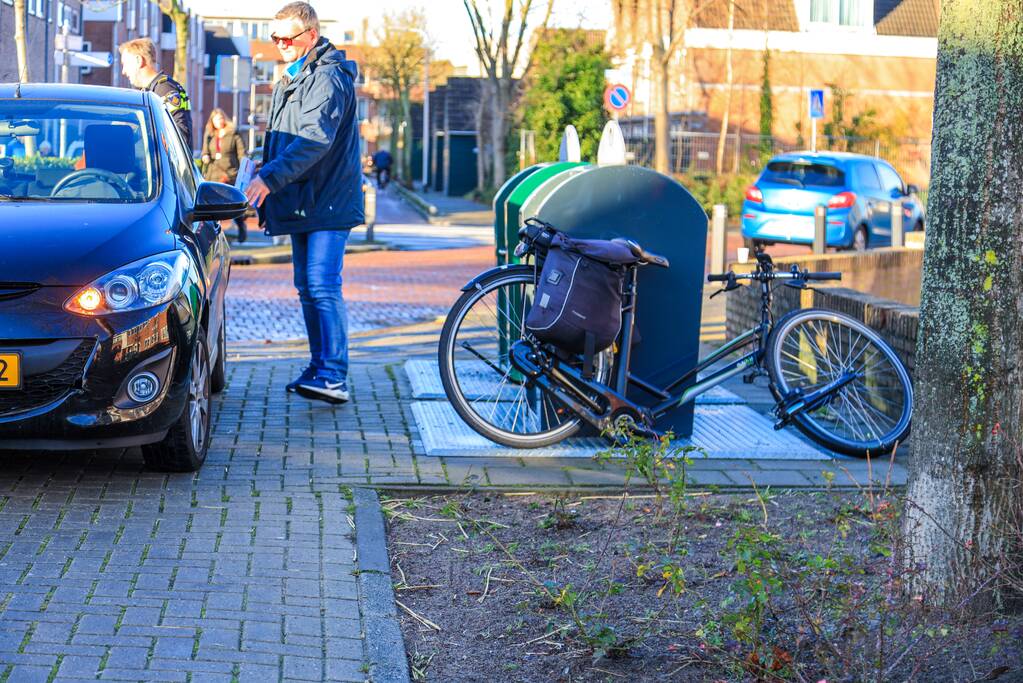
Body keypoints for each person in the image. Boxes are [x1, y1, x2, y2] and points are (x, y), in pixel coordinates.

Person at [244, 1, 363, 405]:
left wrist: (268, 179)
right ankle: (319, 367)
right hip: (304, 201)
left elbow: (313, 139)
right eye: (275, 38)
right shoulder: (293, 78)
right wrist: (261, 171)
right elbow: (284, 139)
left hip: (328, 200)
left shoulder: (327, 78)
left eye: (287, 38)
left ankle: (333, 375)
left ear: (311, 35)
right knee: (307, 287)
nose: (280, 45)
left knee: (322, 285)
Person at [118, 38, 193, 148]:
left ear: (139, 60)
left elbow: (181, 135)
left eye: (125, 64)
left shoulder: (164, 89)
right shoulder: (151, 92)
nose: (123, 71)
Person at [202, 108, 249, 243]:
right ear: (212, 121)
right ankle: (215, 234)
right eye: (216, 119)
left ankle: (241, 227)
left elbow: (242, 154)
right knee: (213, 204)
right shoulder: (209, 134)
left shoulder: (233, 134)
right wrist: (205, 156)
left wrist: (244, 170)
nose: (219, 121)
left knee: (232, 202)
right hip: (213, 172)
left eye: (221, 118)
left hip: (230, 172)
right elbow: (205, 151)